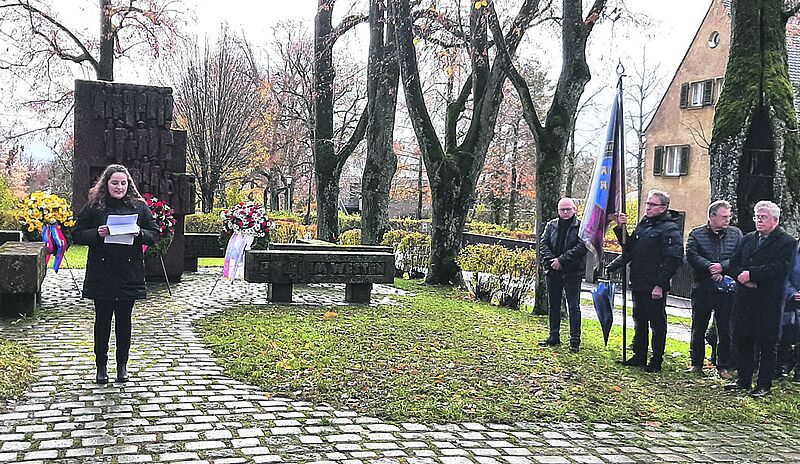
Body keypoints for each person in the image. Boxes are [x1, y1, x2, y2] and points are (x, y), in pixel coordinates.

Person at [73, 164, 159, 384]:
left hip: (129, 272)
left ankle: (122, 365)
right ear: (106, 184)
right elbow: (77, 234)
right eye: (115, 183)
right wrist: (97, 233)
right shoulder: (94, 206)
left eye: (123, 183)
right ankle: (101, 366)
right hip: (102, 271)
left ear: (128, 184)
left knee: (124, 321)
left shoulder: (139, 206)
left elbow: (154, 234)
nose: (119, 187)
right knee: (102, 321)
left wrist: (139, 232)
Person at [724, 200, 797, 397]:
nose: (758, 221)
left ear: (774, 219)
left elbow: (781, 268)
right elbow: (734, 262)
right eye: (756, 216)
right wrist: (740, 275)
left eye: (763, 217)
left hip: (768, 299)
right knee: (744, 339)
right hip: (745, 296)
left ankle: (764, 384)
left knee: (767, 343)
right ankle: (743, 380)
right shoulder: (748, 239)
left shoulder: (787, 242)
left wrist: (752, 274)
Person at [606, 190, 683, 373]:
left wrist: (660, 285)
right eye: (647, 204)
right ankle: (639, 355)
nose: (648, 207)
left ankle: (656, 359)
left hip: (655, 283)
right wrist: (621, 228)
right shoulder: (644, 224)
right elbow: (630, 247)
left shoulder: (669, 228)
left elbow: (673, 259)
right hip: (639, 280)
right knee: (639, 319)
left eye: (652, 205)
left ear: (663, 208)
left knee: (657, 323)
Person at [684, 200, 742, 379]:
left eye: (728, 216)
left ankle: (723, 365)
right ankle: (696, 362)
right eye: (724, 217)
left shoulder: (736, 234)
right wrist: (710, 267)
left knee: (725, 329)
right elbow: (692, 255)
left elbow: (739, 257)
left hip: (727, 289)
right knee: (698, 326)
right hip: (703, 287)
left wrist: (722, 268)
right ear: (712, 217)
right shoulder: (697, 234)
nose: (727, 220)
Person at [538, 197, 588, 352]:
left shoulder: (581, 227)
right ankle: (554, 336)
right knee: (553, 305)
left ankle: (574, 340)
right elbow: (543, 243)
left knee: (573, 306)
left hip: (573, 272)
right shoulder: (551, 225)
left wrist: (562, 260)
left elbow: (581, 247)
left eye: (568, 209)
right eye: (562, 209)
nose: (565, 212)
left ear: (574, 210)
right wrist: (552, 261)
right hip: (553, 271)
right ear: (558, 211)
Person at [778, 242, 800, 382]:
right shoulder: (790, 249)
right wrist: (792, 292)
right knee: (784, 335)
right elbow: (783, 274)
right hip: (789, 300)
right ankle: (780, 367)